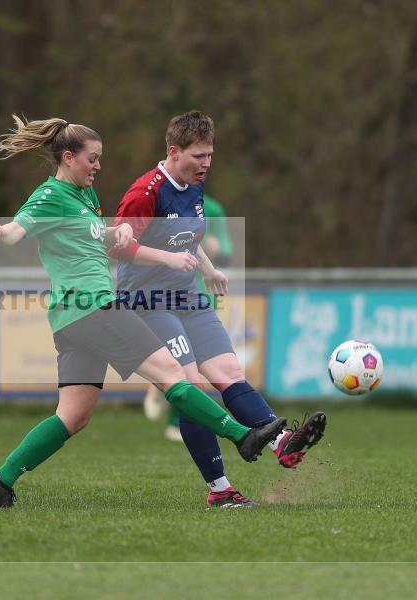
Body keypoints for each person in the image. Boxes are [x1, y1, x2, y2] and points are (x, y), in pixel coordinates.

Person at [0, 115, 287, 509]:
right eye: (92, 159)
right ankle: (244, 436)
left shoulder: (83, 196)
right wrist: (2, 232)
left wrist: (115, 233)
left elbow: (86, 239)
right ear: (69, 157)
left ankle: (1, 480)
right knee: (174, 375)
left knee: (73, 415)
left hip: (70, 319)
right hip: (94, 307)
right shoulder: (50, 194)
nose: (99, 166)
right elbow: (19, 229)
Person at [110, 111, 326, 508]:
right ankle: (220, 490)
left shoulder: (195, 186)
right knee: (192, 388)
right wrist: (167, 260)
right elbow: (116, 247)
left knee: (229, 373)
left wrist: (209, 269)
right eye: (198, 156)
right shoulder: (145, 192)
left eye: (210, 155)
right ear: (174, 152)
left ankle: (282, 444)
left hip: (188, 297)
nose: (206, 163)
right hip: (147, 301)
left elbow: (186, 240)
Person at [145, 193, 234, 440]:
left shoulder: (213, 209)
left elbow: (227, 249)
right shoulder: (158, 202)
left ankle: (174, 415)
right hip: (166, 292)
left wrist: (219, 249)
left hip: (200, 295)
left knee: (194, 362)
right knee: (182, 360)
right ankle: (167, 402)